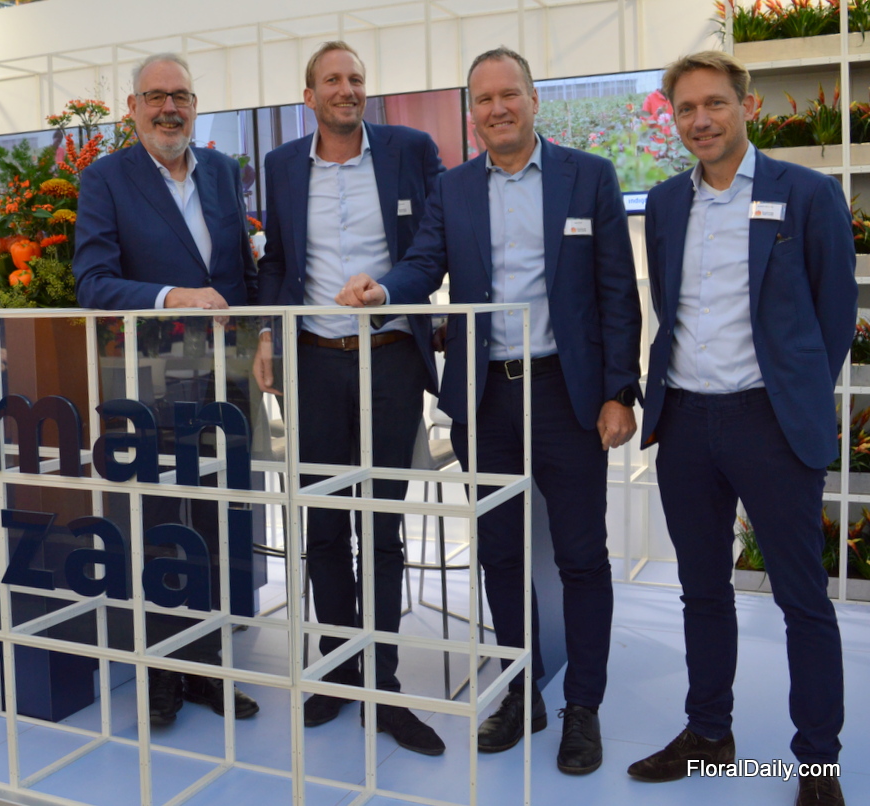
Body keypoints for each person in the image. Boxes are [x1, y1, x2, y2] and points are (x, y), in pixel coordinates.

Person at [336, 46, 642, 775]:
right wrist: (385, 290)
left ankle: (583, 708)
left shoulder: (588, 176)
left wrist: (619, 390)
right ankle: (520, 691)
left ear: (534, 100)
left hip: (568, 395)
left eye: (510, 94)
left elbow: (617, 291)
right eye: (483, 99)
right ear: (471, 113)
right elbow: (425, 263)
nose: (497, 108)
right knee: (499, 553)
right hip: (485, 397)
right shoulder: (455, 188)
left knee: (581, 557)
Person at [626, 51, 852, 806]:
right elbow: (669, 310)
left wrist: (794, 398)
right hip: (686, 423)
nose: (701, 120)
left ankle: (816, 762)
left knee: (802, 600)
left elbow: (835, 314)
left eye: (715, 103)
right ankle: (708, 736)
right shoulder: (666, 203)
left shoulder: (808, 193)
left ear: (746, 107)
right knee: (701, 590)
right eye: (686, 108)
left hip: (770, 424)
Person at [253, 40, 445, 756]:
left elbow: (434, 246)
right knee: (326, 526)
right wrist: (267, 333)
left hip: (390, 358)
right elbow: (277, 260)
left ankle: (383, 686)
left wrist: (393, 290)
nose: (347, 89)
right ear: (309, 97)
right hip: (311, 363)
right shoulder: (281, 164)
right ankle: (336, 672)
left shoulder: (409, 150)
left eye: (356, 79)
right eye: (332, 80)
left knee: (382, 525)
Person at [73, 52, 259, 727]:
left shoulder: (222, 173)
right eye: (155, 96)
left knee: (214, 525)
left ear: (196, 105)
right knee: (157, 528)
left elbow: (240, 275)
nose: (169, 108)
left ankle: (206, 666)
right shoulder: (106, 179)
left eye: (180, 95)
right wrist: (173, 296)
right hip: (151, 376)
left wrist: (263, 335)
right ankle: (160, 675)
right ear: (132, 108)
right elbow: (92, 283)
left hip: (224, 375)